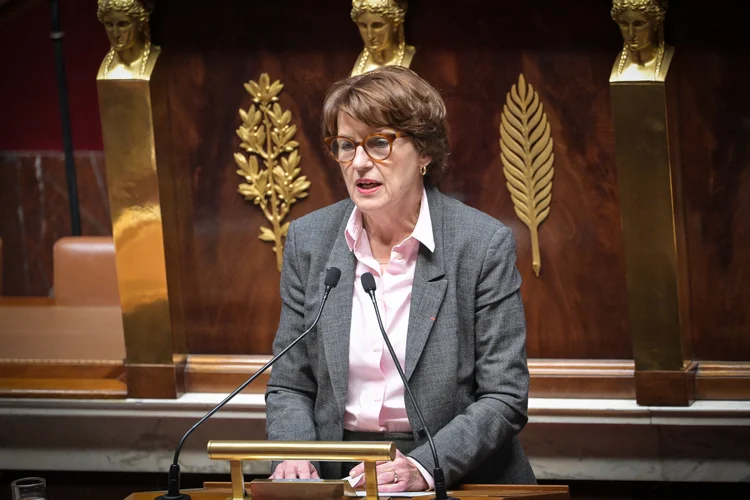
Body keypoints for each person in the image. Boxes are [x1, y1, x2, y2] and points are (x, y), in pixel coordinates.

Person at [265, 66, 535, 491]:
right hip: (339, 474)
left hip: (454, 475)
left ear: (425, 152)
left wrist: (424, 467)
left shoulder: (481, 245)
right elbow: (290, 383)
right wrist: (295, 452)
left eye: (378, 143)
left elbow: (504, 397)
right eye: (346, 145)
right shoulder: (310, 241)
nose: (359, 163)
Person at [610, 0, 674, 82]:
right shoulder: (614, 64)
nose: (631, 33)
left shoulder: (674, 61)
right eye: (624, 24)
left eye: (638, 24)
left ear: (656, 23)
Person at [96, 0, 159, 80]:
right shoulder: (106, 66)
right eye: (109, 24)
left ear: (140, 23)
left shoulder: (155, 58)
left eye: (123, 24)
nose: (115, 34)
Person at [350, 0, 416, 76]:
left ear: (395, 24)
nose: (370, 35)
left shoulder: (416, 59)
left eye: (377, 25)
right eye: (363, 25)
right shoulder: (355, 61)